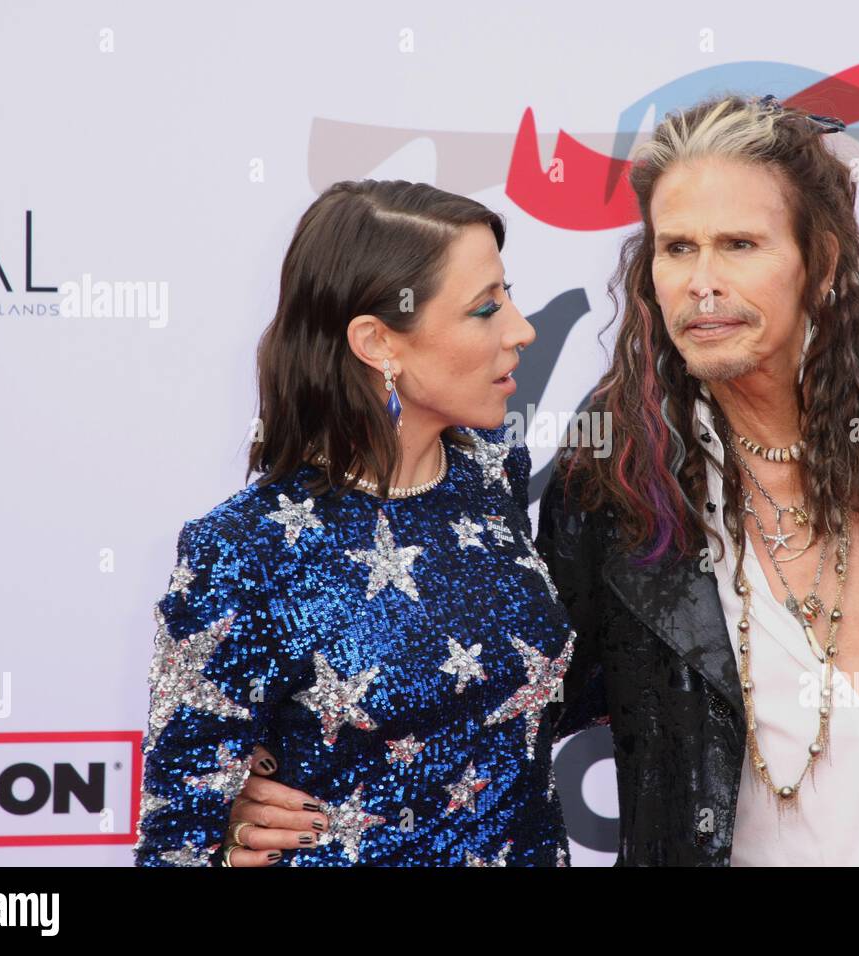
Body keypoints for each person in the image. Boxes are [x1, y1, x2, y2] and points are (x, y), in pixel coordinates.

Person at [226, 94, 859, 866]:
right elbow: (500, 701)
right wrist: (276, 773)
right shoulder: (615, 483)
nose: (701, 282)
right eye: (677, 248)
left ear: (819, 260)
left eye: (740, 245)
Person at [133, 180, 579, 867]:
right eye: (485, 308)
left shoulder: (494, 474)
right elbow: (176, 844)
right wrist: (228, 844)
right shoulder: (240, 553)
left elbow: (509, 699)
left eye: (507, 296)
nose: (521, 329)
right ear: (379, 343)